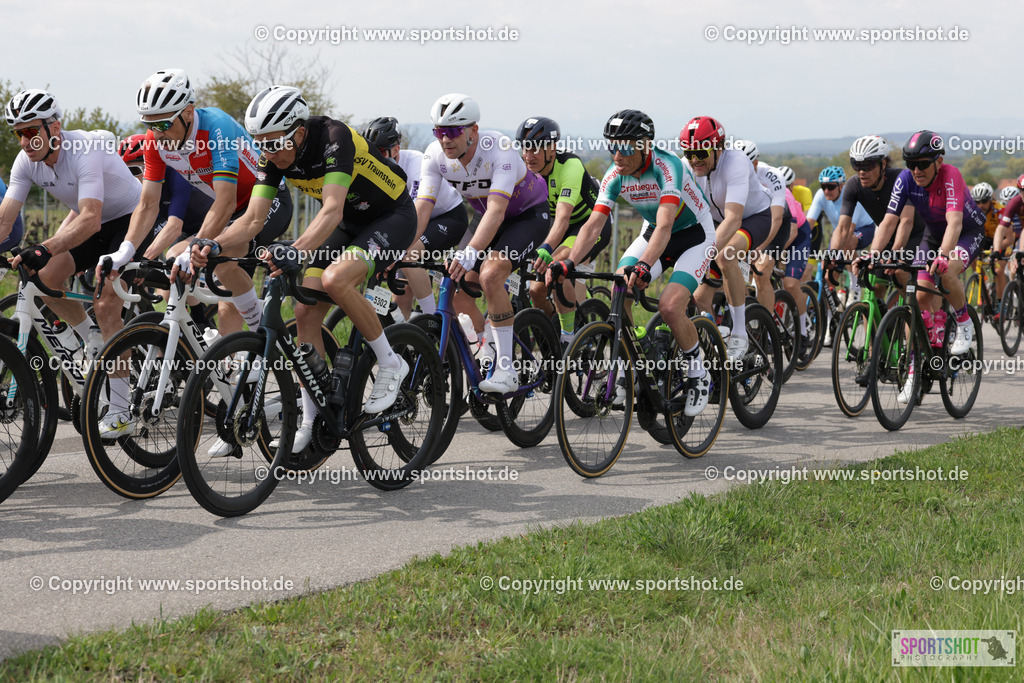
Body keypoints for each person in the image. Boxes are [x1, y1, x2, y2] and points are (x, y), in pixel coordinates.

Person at [191, 86, 418, 454]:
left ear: (298, 132)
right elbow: (251, 220)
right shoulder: (273, 153)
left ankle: (391, 362)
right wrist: (215, 244)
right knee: (305, 310)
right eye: (260, 143)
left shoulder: (334, 137)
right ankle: (312, 421)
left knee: (334, 279)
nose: (268, 152)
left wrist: (296, 250)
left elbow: (331, 209)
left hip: (391, 216)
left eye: (274, 143)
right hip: (348, 224)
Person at [0, 89, 148, 438]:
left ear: (55, 127)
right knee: (43, 280)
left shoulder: (84, 149)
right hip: (94, 225)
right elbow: (5, 220)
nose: (25, 141)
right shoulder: (26, 162)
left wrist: (44, 246)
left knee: (107, 300)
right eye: (18, 133)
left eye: (31, 131)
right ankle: (93, 346)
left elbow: (91, 219)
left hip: (130, 218)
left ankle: (122, 409)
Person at [547, 110, 716, 415]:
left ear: (644, 145)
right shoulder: (615, 175)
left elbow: (666, 226)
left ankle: (698, 371)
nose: (617, 154)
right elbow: (593, 226)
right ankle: (632, 364)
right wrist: (569, 263)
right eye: (612, 146)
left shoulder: (669, 166)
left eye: (625, 147)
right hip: (653, 233)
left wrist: (644, 266)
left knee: (670, 305)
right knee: (619, 287)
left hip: (694, 235)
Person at [105, 68, 291, 340]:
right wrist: (126, 251)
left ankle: (264, 337)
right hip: (231, 212)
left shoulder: (218, 126)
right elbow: (147, 204)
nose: (157, 134)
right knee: (173, 257)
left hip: (264, 203)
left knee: (222, 265)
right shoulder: (154, 142)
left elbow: (226, 201)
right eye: (150, 125)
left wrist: (197, 245)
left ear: (188, 112)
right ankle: (217, 343)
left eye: (164, 125)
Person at [418, 93, 550, 394]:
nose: (445, 140)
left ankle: (506, 368)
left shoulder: (498, 148)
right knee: (456, 285)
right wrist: (399, 250)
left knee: (490, 274)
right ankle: (487, 343)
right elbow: (422, 210)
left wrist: (470, 252)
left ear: (473, 131)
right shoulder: (435, 156)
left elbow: (497, 210)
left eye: (452, 132)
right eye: (439, 132)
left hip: (527, 215)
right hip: (487, 216)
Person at [870, 131, 986, 402]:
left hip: (967, 232)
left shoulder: (950, 175)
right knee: (919, 297)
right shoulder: (905, 179)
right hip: (933, 237)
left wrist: (944, 256)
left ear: (939, 161)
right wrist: (873, 255)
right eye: (911, 164)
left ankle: (963, 321)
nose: (916, 170)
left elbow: (955, 222)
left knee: (946, 273)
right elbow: (889, 221)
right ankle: (914, 371)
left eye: (923, 163)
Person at [360, 116, 469, 324]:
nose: (378, 159)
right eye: (374, 154)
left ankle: (432, 321)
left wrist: (394, 251)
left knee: (408, 255)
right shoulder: (375, 173)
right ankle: (406, 339)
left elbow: (419, 212)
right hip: (415, 223)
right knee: (401, 290)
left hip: (448, 218)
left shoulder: (417, 163)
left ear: (396, 149)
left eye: (382, 153)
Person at [682, 116, 774, 360]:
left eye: (701, 153)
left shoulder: (736, 162)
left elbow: (734, 219)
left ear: (718, 148)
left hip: (753, 218)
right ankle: (716, 343)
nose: (694, 160)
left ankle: (740, 334)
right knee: (700, 297)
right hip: (716, 222)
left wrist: (703, 256)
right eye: (689, 152)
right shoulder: (687, 166)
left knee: (726, 256)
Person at [517, 116, 609, 345]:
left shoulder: (570, 166)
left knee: (554, 269)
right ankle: (552, 336)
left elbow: (563, 218)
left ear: (553, 148)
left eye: (536, 149)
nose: (529, 156)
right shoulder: (525, 171)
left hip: (591, 226)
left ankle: (568, 338)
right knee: (536, 291)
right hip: (561, 228)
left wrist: (546, 249)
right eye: (525, 149)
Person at [117, 133, 213, 258]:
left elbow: (174, 227)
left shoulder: (176, 174)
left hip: (215, 225)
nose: (130, 177)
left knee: (173, 255)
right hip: (189, 230)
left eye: (134, 170)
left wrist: (144, 259)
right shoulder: (136, 188)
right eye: (125, 171)